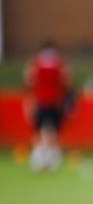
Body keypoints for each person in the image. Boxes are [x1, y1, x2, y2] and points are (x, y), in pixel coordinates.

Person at [25, 40, 71, 173]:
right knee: (53, 132)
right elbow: (66, 82)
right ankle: (51, 160)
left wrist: (29, 104)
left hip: (41, 103)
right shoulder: (60, 64)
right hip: (55, 103)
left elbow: (29, 83)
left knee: (39, 132)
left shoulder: (35, 64)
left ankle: (39, 159)